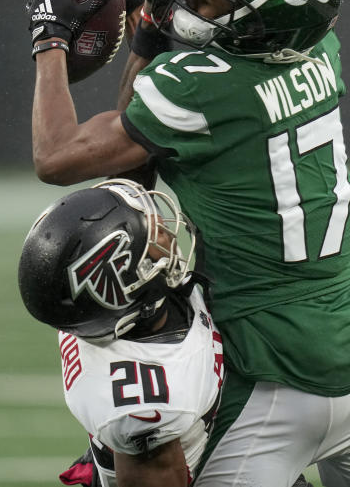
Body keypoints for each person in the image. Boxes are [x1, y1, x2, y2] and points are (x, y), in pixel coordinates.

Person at [24, 0, 350, 487]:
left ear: (261, 24)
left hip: (274, 373)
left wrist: (51, 40)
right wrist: (153, 31)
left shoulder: (201, 85)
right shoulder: (321, 50)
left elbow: (59, 156)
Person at [17, 179, 224, 487]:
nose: (166, 234)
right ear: (119, 287)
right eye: (153, 237)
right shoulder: (144, 403)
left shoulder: (98, 315)